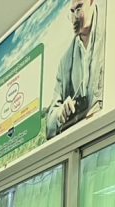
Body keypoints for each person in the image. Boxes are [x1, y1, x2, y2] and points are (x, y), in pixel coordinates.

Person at [46, 0, 104, 138]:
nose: (75, 18)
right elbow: (49, 125)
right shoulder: (65, 62)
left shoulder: (110, 27)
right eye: (72, 12)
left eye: (79, 8)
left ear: (92, 2)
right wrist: (61, 113)